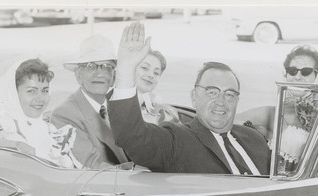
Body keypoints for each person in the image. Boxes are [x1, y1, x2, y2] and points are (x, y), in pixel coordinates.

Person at [108, 22, 270, 175]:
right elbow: (132, 136)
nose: (221, 101)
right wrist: (126, 69)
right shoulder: (176, 140)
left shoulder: (254, 138)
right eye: (212, 92)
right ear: (194, 97)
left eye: (229, 94)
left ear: (236, 101)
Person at [235, 45, 318, 172]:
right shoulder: (271, 114)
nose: (297, 77)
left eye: (306, 71)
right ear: (286, 74)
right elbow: (227, 121)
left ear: (316, 75)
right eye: (292, 71)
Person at [51, 34, 130, 169]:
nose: (99, 74)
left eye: (106, 66)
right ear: (78, 75)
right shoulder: (65, 115)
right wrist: (141, 171)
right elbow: (91, 166)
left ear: (113, 76)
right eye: (90, 66)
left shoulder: (119, 106)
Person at [0, 58, 80, 168]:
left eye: (45, 90)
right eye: (31, 91)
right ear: (13, 95)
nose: (40, 98)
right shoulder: (11, 139)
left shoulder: (45, 128)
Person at [135, 50, 178, 124]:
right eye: (144, 68)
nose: (151, 75)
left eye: (156, 73)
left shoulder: (159, 110)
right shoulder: (113, 103)